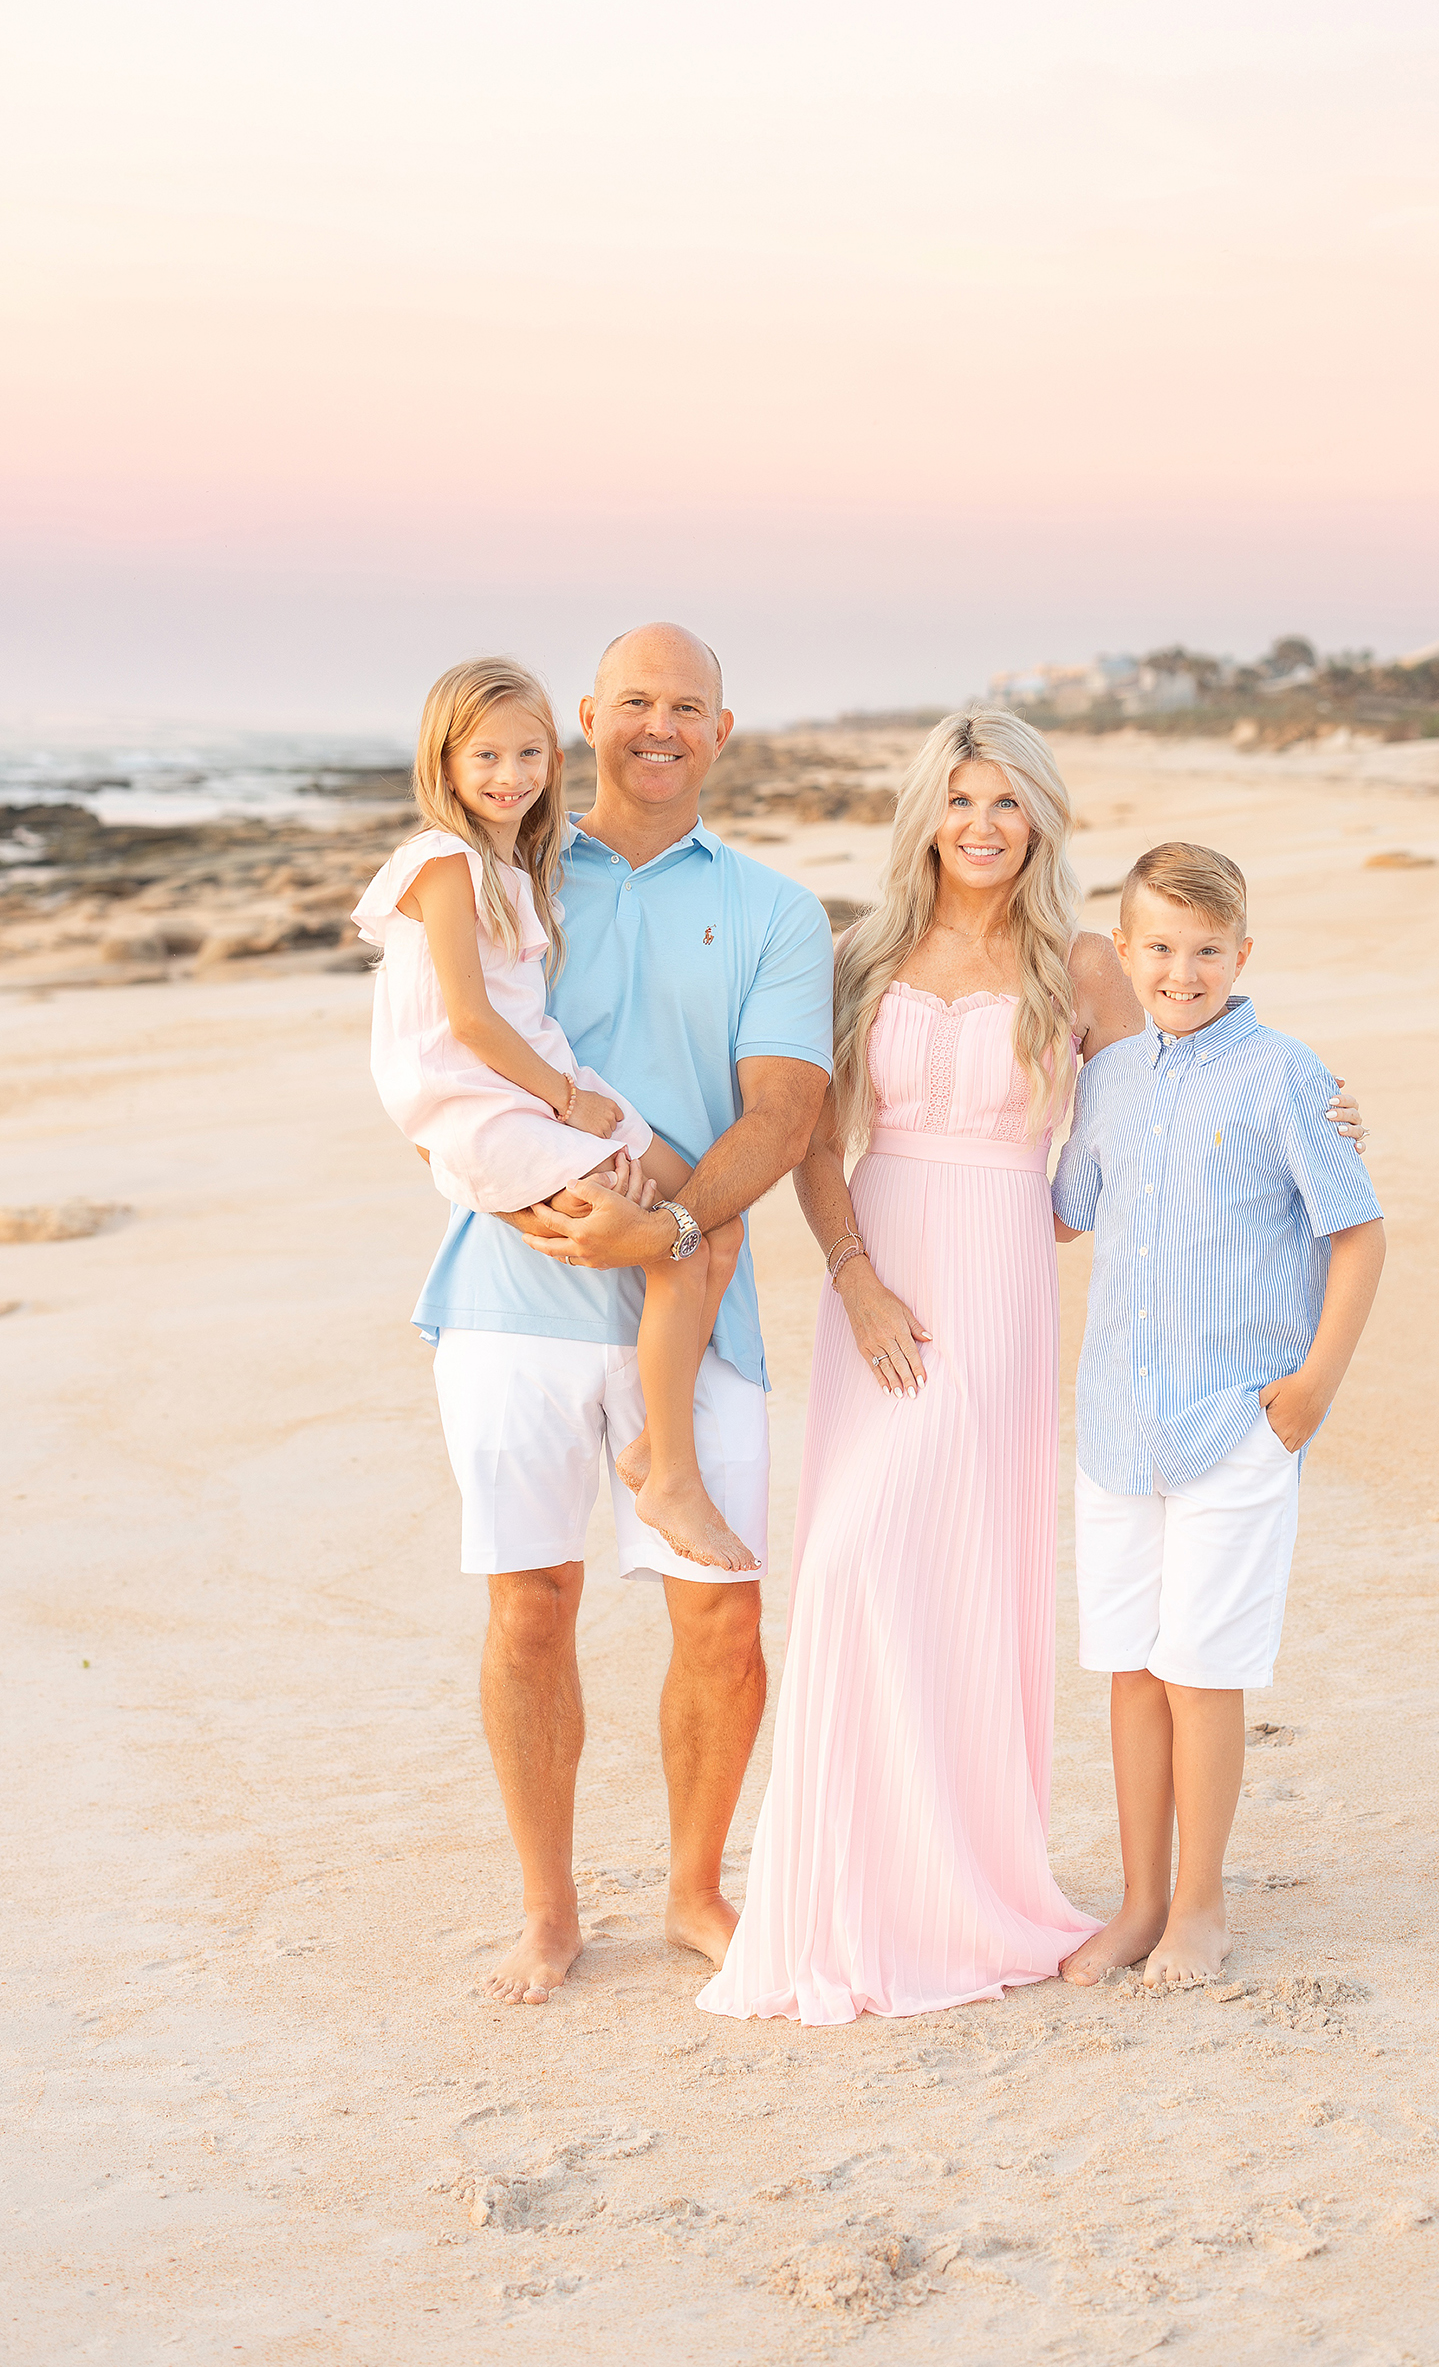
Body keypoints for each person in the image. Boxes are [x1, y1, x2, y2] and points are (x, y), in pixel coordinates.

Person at [698, 717, 1365, 2026]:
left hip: (1000, 1274)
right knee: (844, 1562)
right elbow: (815, 1140)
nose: (984, 823)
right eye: (960, 799)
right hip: (877, 1284)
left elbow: (1168, 1099)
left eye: (1008, 800)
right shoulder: (863, 952)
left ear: (1041, 819)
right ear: (927, 815)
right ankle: (848, 1893)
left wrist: (1329, 1105)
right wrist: (856, 1277)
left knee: (949, 1580)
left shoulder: (1087, 962)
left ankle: (970, 1886)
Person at [409, 625, 833, 2005]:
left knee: (720, 1619)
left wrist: (666, 1226)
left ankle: (695, 1890)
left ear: (724, 728)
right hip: (508, 1297)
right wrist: (509, 1194)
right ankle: (548, 1911)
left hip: (694, 1303)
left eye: (687, 706)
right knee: (528, 1605)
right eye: (634, 702)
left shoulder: (771, 910)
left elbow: (782, 1111)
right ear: (586, 718)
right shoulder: (503, 873)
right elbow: (433, 1051)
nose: (659, 725)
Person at [1052, 842, 1385, 1990]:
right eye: (1157, 948)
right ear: (1124, 951)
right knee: (1131, 1670)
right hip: (1113, 1427)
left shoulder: (1287, 1075)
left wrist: (1309, 1392)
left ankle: (1203, 1905)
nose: (1180, 971)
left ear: (1242, 954)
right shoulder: (1108, 1080)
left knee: (1202, 1669)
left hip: (1236, 1426)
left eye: (1204, 951)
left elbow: (1357, 1232)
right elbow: (1064, 1210)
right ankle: (1140, 1900)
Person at [354, 656, 751, 1572]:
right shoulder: (445, 860)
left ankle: (653, 1445)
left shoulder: (512, 861)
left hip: (543, 1086)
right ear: (444, 762)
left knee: (710, 1221)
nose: (511, 776)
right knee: (676, 1242)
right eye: (486, 756)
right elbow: (468, 1018)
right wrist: (570, 1102)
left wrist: (576, 1096)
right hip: (492, 1101)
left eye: (530, 753)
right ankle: (671, 1471)